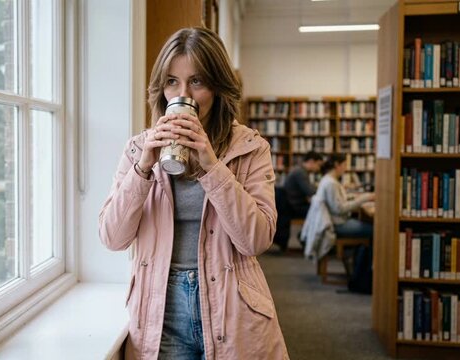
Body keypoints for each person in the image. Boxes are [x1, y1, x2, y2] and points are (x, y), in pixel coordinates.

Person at [99, 27, 288, 359]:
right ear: (161, 89)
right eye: (172, 82)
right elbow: (112, 238)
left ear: (216, 87)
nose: (182, 93)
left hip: (233, 306)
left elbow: (256, 240)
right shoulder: (137, 149)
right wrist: (143, 167)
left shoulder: (250, 148)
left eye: (196, 81)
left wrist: (212, 167)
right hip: (163, 307)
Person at [302, 153, 374, 260]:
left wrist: (355, 197)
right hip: (338, 224)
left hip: (335, 220)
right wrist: (364, 198)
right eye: (344, 165)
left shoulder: (328, 179)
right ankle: (365, 269)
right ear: (337, 165)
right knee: (374, 230)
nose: (345, 168)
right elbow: (340, 209)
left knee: (365, 224)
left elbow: (337, 201)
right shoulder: (331, 183)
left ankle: (357, 263)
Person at [283, 151, 323, 218]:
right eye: (318, 165)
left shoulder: (301, 170)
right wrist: (322, 189)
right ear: (311, 161)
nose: (319, 168)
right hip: (295, 207)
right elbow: (310, 191)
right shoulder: (300, 172)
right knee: (321, 210)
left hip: (294, 204)